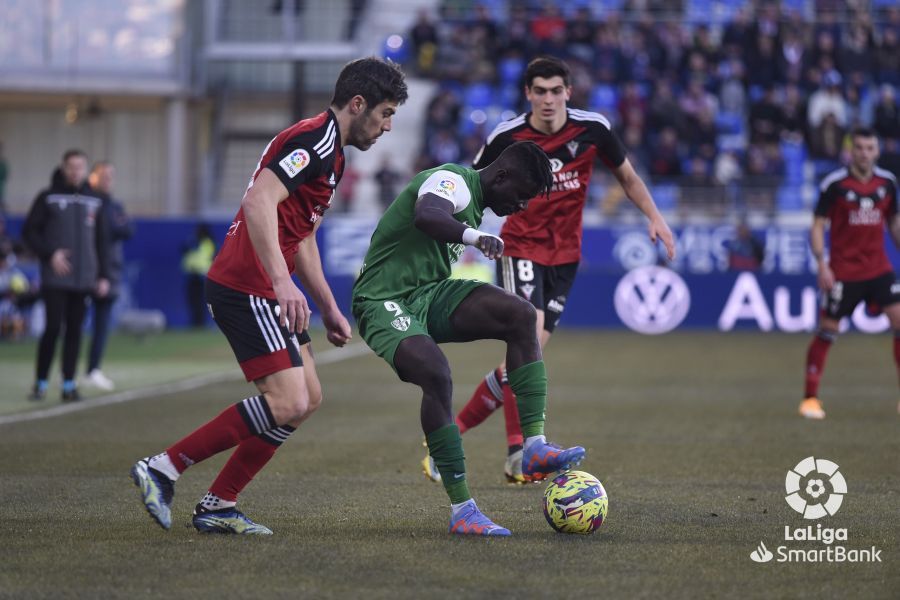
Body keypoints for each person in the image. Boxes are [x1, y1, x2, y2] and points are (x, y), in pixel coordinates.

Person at [129, 57, 407, 535]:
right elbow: (258, 201)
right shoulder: (313, 140)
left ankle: (219, 504)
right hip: (247, 285)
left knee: (307, 398)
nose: (387, 126)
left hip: (267, 286)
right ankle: (163, 467)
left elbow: (303, 236)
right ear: (358, 104)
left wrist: (328, 305)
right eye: (385, 113)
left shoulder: (334, 155)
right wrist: (281, 282)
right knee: (287, 400)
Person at [424, 56, 675, 484]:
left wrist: (655, 216)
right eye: (539, 91)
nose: (548, 99)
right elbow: (472, 183)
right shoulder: (507, 136)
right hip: (520, 247)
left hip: (566, 256)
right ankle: (511, 448)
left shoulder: (593, 129)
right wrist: (464, 237)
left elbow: (628, 177)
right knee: (527, 336)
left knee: (525, 357)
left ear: (568, 92)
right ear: (528, 94)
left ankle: (504, 452)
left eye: (556, 91)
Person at [353, 140, 586, 536]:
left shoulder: (476, 200)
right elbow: (427, 215)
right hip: (382, 299)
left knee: (522, 316)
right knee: (436, 374)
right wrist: (475, 237)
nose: (522, 206)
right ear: (501, 176)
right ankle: (463, 509)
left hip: (428, 295)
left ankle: (533, 448)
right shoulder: (452, 180)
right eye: (521, 196)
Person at [800, 127, 900, 419]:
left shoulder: (887, 183)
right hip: (843, 272)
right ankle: (810, 399)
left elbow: (894, 222)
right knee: (827, 331)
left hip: (879, 268)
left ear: (877, 151)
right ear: (851, 151)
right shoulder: (835, 184)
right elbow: (818, 224)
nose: (864, 154)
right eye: (859, 148)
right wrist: (822, 264)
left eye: (870, 148)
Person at [23, 150, 109, 402]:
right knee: (52, 329)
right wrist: (50, 254)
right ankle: (40, 383)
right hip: (56, 278)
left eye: (80, 167)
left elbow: (102, 241)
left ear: (86, 170)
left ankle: (69, 385)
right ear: (63, 167)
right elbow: (30, 232)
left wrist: (103, 275)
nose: (75, 172)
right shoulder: (47, 197)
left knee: (74, 331)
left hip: (84, 279)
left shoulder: (95, 201)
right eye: (71, 167)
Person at [84, 161, 133, 390]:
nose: (107, 180)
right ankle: (68, 373)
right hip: (86, 272)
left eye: (110, 175)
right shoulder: (87, 203)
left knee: (102, 325)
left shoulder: (114, 204)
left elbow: (128, 229)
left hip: (108, 272)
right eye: (103, 175)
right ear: (92, 177)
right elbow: (103, 237)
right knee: (70, 324)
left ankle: (92, 369)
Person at [181, 224, 216, 327]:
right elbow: (183, 250)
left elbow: (213, 257)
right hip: (191, 275)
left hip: (203, 276)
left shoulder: (209, 243)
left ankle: (201, 323)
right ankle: (195, 322)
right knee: (192, 300)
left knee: (201, 301)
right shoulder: (192, 241)